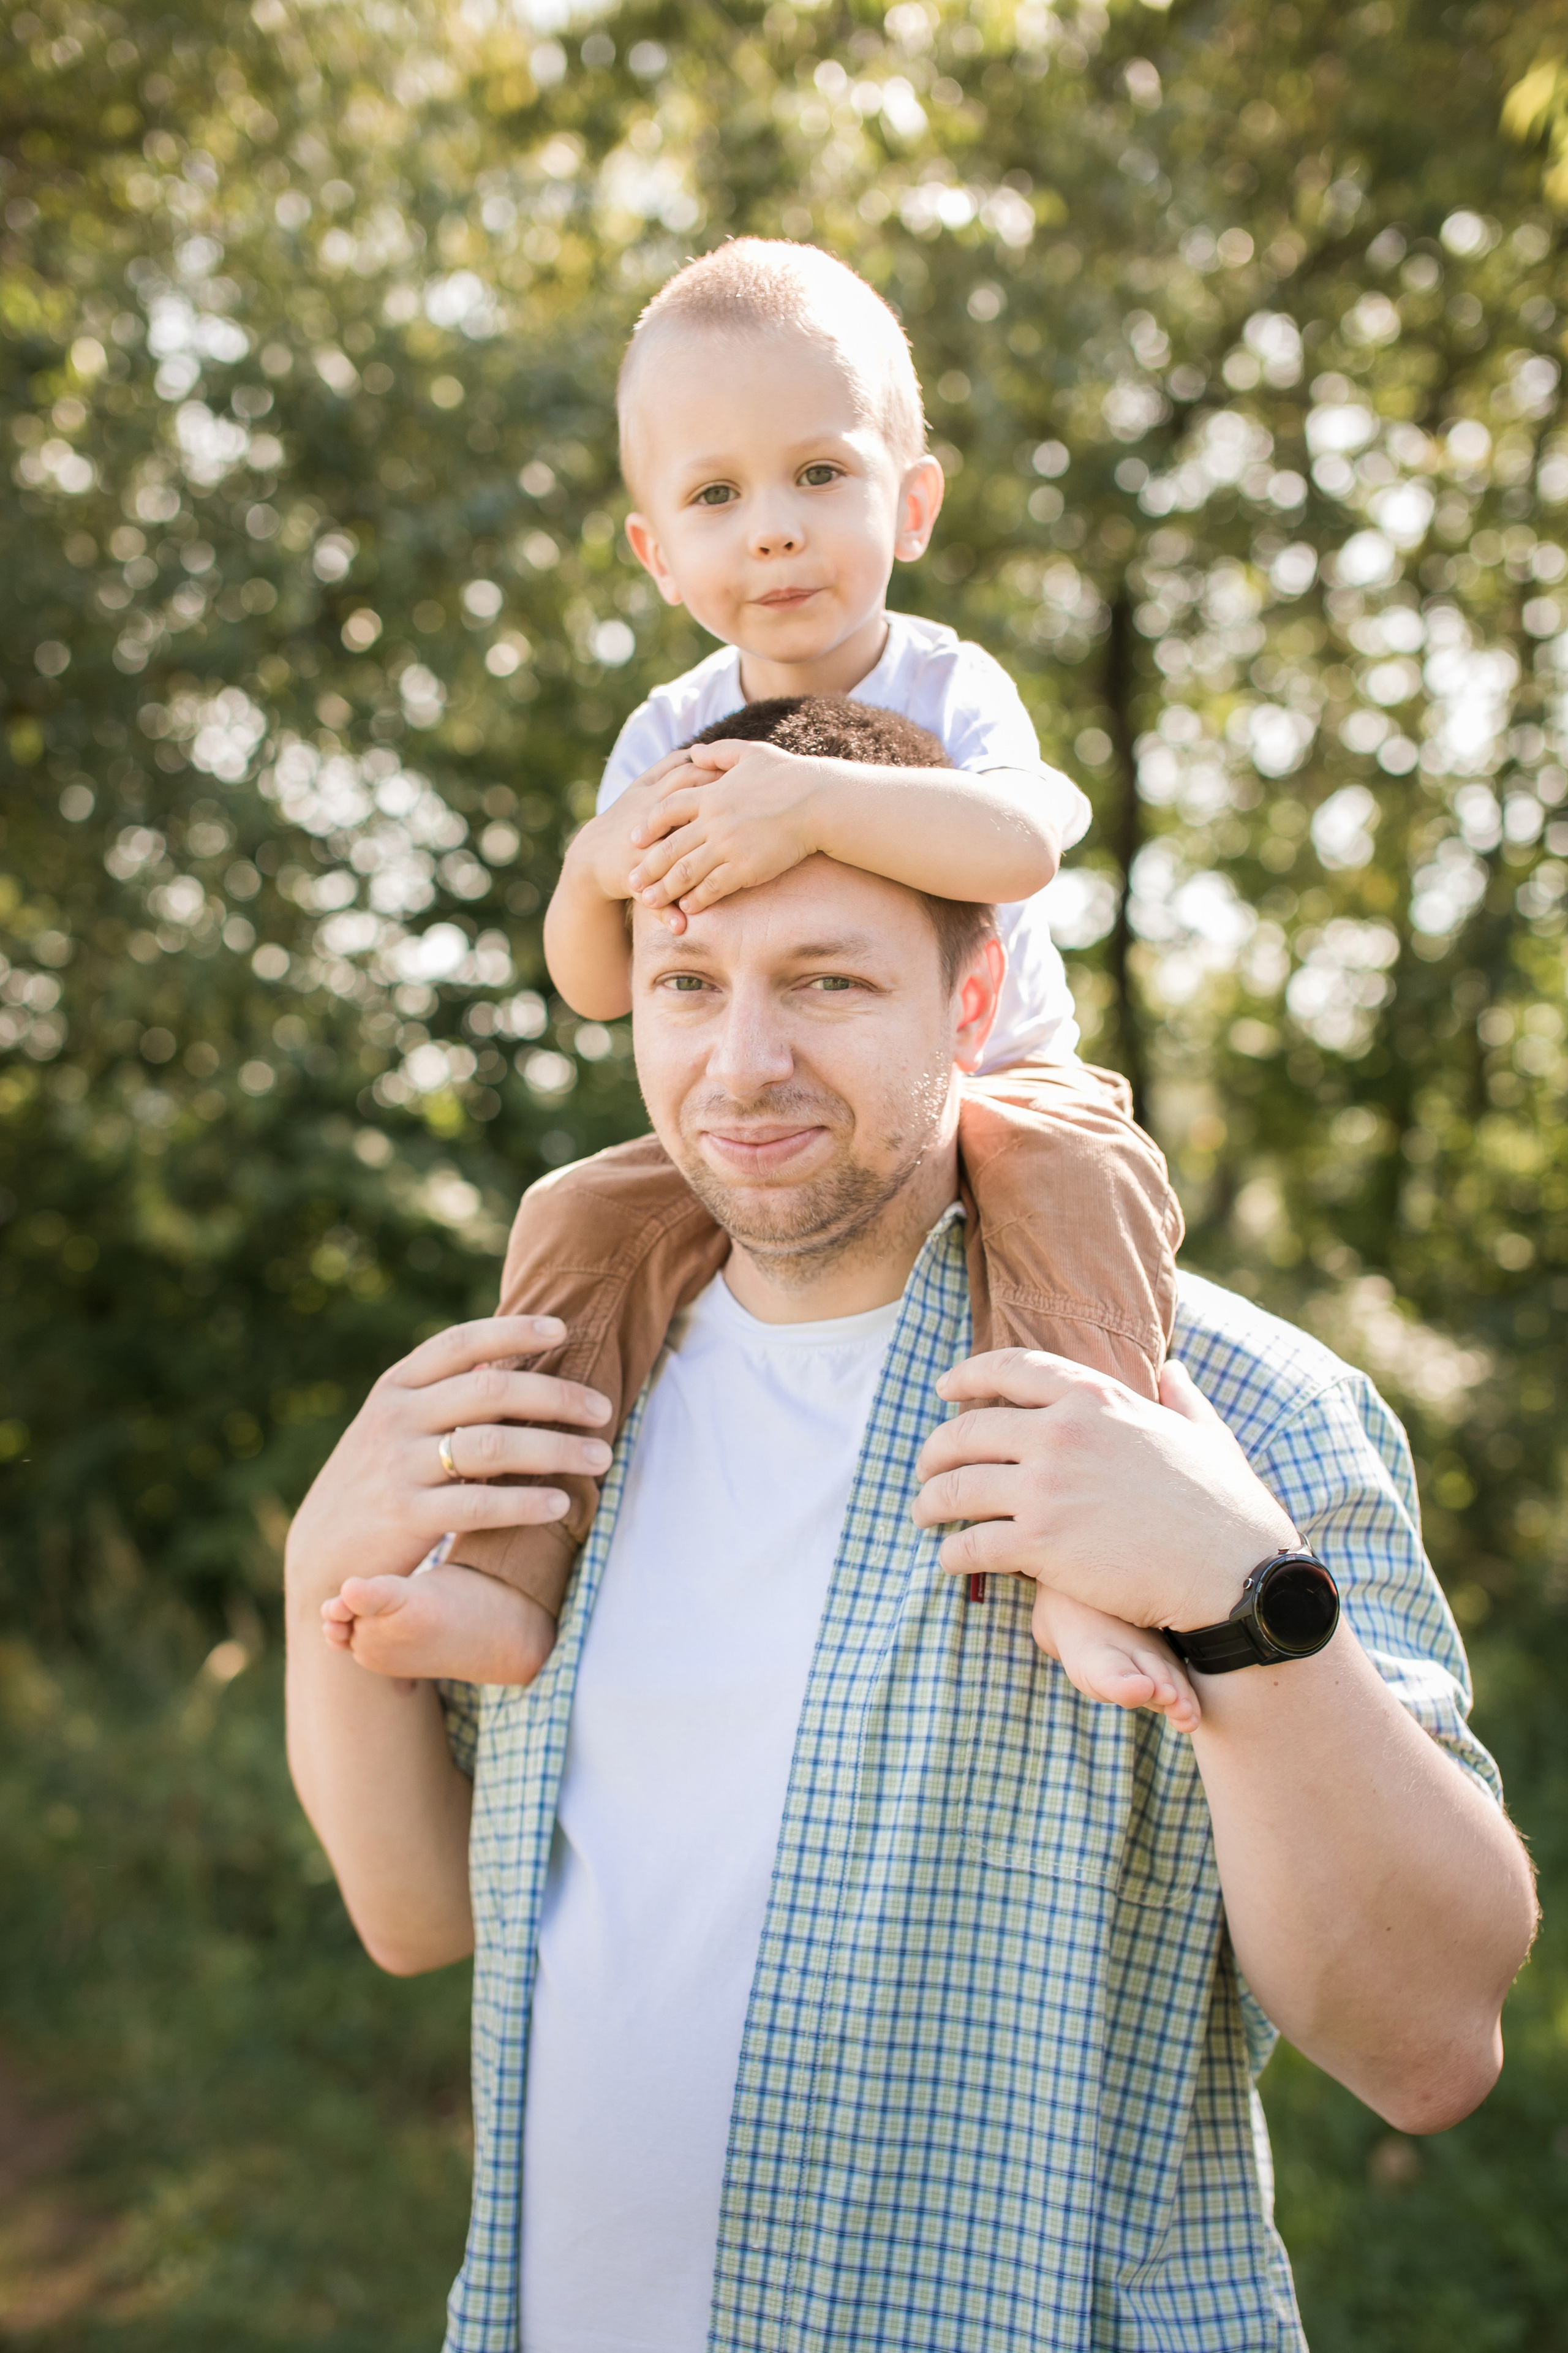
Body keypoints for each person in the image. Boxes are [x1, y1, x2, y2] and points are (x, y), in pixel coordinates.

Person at [286, 842, 1536, 2353]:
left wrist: (1237, 1591)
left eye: (826, 980)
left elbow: (1429, 2051)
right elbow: (421, 1915)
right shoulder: (555, 1400)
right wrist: (319, 1591)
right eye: (687, 983)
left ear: (971, 998)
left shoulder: (1225, 1408)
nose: (743, 1063)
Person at [321, 236, 1191, 1718]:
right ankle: (504, 1573)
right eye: (717, 497)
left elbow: (1025, 841)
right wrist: (596, 865)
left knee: (1074, 1184)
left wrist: (814, 805)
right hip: (770, 1110)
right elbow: (596, 981)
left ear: (908, 503)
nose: (773, 532)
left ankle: (1087, 1563)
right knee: (577, 1214)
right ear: (657, 548)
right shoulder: (666, 730)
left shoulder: (942, 681)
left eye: (817, 477)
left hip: (1002, 1078)